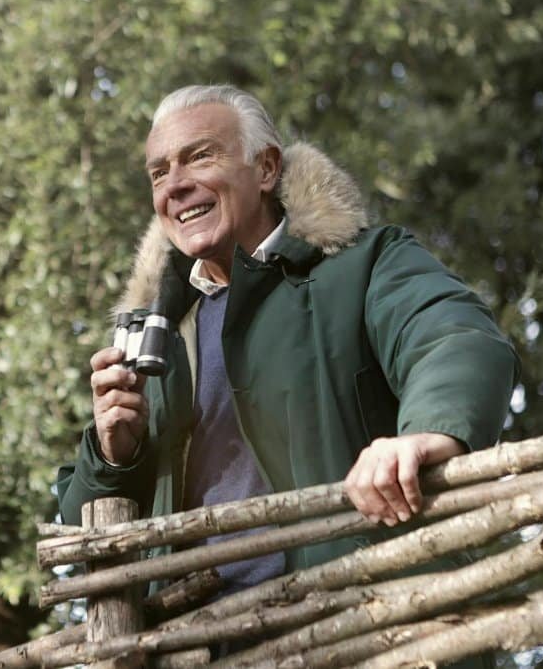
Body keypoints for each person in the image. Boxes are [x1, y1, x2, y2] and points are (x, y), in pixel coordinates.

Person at [55, 85, 519, 590]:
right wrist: (114, 457)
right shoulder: (156, 337)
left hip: (354, 615)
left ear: (266, 168)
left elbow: (453, 336)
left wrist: (426, 433)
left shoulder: (365, 266)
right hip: (197, 630)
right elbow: (90, 540)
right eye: (159, 173)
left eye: (200, 157)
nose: (176, 186)